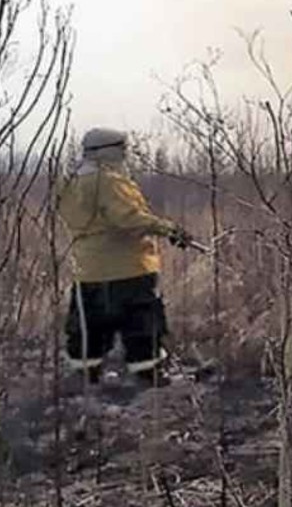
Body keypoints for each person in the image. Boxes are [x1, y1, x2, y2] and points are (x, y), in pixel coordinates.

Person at [59, 128, 194, 388]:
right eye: (123, 149)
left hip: (87, 270)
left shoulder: (70, 180)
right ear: (111, 151)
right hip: (128, 268)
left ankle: (87, 379)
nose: (126, 155)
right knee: (141, 325)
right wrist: (170, 229)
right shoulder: (109, 181)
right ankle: (149, 376)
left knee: (89, 328)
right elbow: (129, 218)